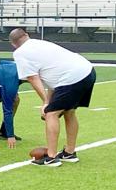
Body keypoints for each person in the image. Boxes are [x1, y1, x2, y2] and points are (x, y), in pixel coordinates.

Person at [9, 29, 96, 167]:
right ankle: (69, 153)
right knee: (69, 111)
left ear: (13, 44)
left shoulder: (20, 53)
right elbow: (53, 81)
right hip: (87, 71)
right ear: (27, 36)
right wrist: (48, 101)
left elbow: (32, 78)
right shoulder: (40, 43)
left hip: (71, 78)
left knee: (51, 114)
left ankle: (51, 157)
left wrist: (46, 103)